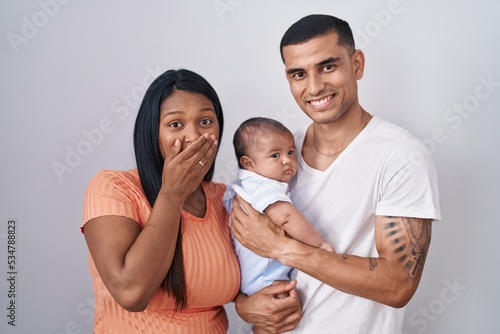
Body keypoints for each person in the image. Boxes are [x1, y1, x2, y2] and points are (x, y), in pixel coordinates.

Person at [230, 14, 441, 334]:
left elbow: (398, 286)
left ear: (357, 64)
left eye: (327, 66)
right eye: (299, 73)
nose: (314, 87)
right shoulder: (277, 157)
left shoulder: (400, 156)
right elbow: (240, 244)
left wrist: (283, 248)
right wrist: (244, 305)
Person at [81, 68, 241, 334]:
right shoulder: (113, 188)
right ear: (152, 133)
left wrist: (248, 303)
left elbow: (244, 279)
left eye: (205, 121)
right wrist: (172, 195)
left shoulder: (225, 197)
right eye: (175, 124)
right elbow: (132, 293)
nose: (194, 137)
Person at [223, 117, 333, 302]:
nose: (287, 160)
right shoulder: (264, 187)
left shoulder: (241, 186)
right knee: (281, 312)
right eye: (275, 155)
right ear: (249, 164)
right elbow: (287, 217)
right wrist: (319, 245)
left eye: (291, 152)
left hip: (252, 275)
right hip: (268, 277)